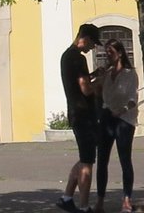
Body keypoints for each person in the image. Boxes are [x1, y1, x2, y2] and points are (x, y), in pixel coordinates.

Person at [58, 23, 102, 213]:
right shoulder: (78, 58)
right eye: (92, 43)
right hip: (84, 114)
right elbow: (85, 88)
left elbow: (77, 81)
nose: (92, 48)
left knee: (85, 157)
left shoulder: (66, 56)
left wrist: (92, 75)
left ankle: (67, 197)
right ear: (85, 38)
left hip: (75, 113)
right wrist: (100, 82)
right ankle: (84, 206)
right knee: (87, 162)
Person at [95, 39, 138, 213]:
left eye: (111, 53)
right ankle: (99, 201)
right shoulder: (107, 73)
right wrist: (98, 77)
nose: (108, 56)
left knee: (124, 159)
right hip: (107, 117)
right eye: (106, 53)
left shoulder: (130, 74)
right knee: (102, 160)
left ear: (119, 53)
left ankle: (127, 199)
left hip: (124, 120)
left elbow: (133, 100)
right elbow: (98, 94)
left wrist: (121, 110)